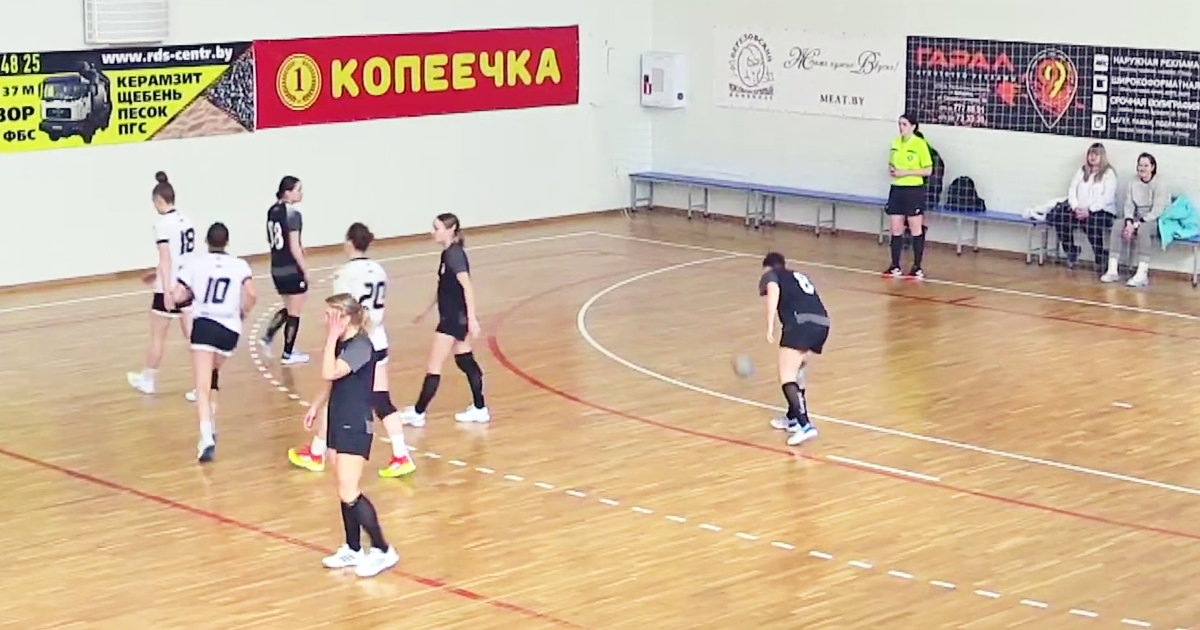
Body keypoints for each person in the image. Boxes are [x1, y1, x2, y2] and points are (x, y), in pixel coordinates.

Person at [288, 223, 417, 478]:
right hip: (379, 339)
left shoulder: (345, 274)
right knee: (381, 399)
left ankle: (317, 452)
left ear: (349, 243)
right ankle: (400, 454)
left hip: (356, 340)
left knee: (338, 392)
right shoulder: (378, 270)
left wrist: (333, 338)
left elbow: (340, 310)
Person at [307, 294, 400, 578]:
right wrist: (316, 406)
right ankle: (353, 548)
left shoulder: (360, 346)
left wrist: (330, 338)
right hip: (339, 420)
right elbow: (333, 383)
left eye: (331, 315)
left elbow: (330, 371)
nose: (326, 319)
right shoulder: (344, 343)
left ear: (345, 318)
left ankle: (383, 550)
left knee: (350, 491)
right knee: (343, 488)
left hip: (354, 423)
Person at [171, 222, 255, 462]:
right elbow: (251, 294)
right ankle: (212, 422)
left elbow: (177, 295)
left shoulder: (195, 264)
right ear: (227, 242)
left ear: (206, 242)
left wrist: (187, 299)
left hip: (205, 326)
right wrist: (242, 312)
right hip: (230, 329)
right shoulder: (240, 265)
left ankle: (206, 435)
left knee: (202, 385)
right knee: (213, 373)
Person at [399, 213, 489, 427]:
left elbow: (467, 286)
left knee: (434, 366)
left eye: (437, 228)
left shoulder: (454, 255)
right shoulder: (447, 254)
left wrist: (472, 318)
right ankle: (480, 408)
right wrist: (426, 310)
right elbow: (444, 288)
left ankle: (418, 413)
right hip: (456, 317)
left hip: (452, 320)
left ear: (451, 229)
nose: (433, 232)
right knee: (465, 360)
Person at [127, 171, 197, 397]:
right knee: (194, 339)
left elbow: (166, 259)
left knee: (157, 337)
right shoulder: (186, 220)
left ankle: (148, 379)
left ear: (159, 200)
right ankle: (204, 385)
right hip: (187, 286)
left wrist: (165, 289)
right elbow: (181, 257)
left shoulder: (162, 225)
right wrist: (155, 273)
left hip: (170, 287)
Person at [760, 252, 828, 447]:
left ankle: (805, 425)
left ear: (768, 267)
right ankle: (792, 418)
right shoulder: (797, 276)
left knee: (786, 375)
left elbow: (773, 291)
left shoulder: (773, 275)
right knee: (798, 370)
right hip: (822, 323)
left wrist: (769, 324)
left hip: (800, 324)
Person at [260, 176, 310, 365]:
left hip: (276, 266)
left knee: (290, 306)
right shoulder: (293, 214)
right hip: (290, 267)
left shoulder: (272, 211)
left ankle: (268, 336)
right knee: (295, 310)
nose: (301, 193)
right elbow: (294, 246)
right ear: (287, 192)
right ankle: (287, 353)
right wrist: (304, 269)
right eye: (298, 189)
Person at [1048, 142, 1118, 269]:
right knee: (1061, 217)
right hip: (1079, 209)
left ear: (1102, 156)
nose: (1092, 157)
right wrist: (1075, 207)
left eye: (1096, 154)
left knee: (1091, 222)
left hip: (1101, 211)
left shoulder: (1109, 173)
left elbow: (1107, 198)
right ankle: (1071, 250)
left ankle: (1100, 256)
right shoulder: (1082, 171)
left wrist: (1089, 210)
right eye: (1090, 154)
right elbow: (1072, 189)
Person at [1102, 152, 1167, 287]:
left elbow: (1157, 210)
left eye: (1146, 165)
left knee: (1143, 230)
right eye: (1140, 165)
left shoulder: (1159, 184)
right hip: (1135, 218)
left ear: (1152, 167)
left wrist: (1138, 224)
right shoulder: (1133, 182)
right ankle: (1112, 269)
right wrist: (1128, 222)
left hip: (1153, 220)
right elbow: (1129, 204)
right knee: (1117, 225)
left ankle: (1142, 273)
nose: (1142, 168)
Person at [884, 113, 934, 279]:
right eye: (900, 124)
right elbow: (892, 162)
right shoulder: (895, 143)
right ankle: (895, 265)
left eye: (904, 124)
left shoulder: (920, 144)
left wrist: (905, 172)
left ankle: (917, 267)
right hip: (897, 189)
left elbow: (928, 170)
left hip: (913, 190)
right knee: (896, 228)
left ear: (913, 127)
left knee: (915, 228)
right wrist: (892, 169)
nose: (901, 127)